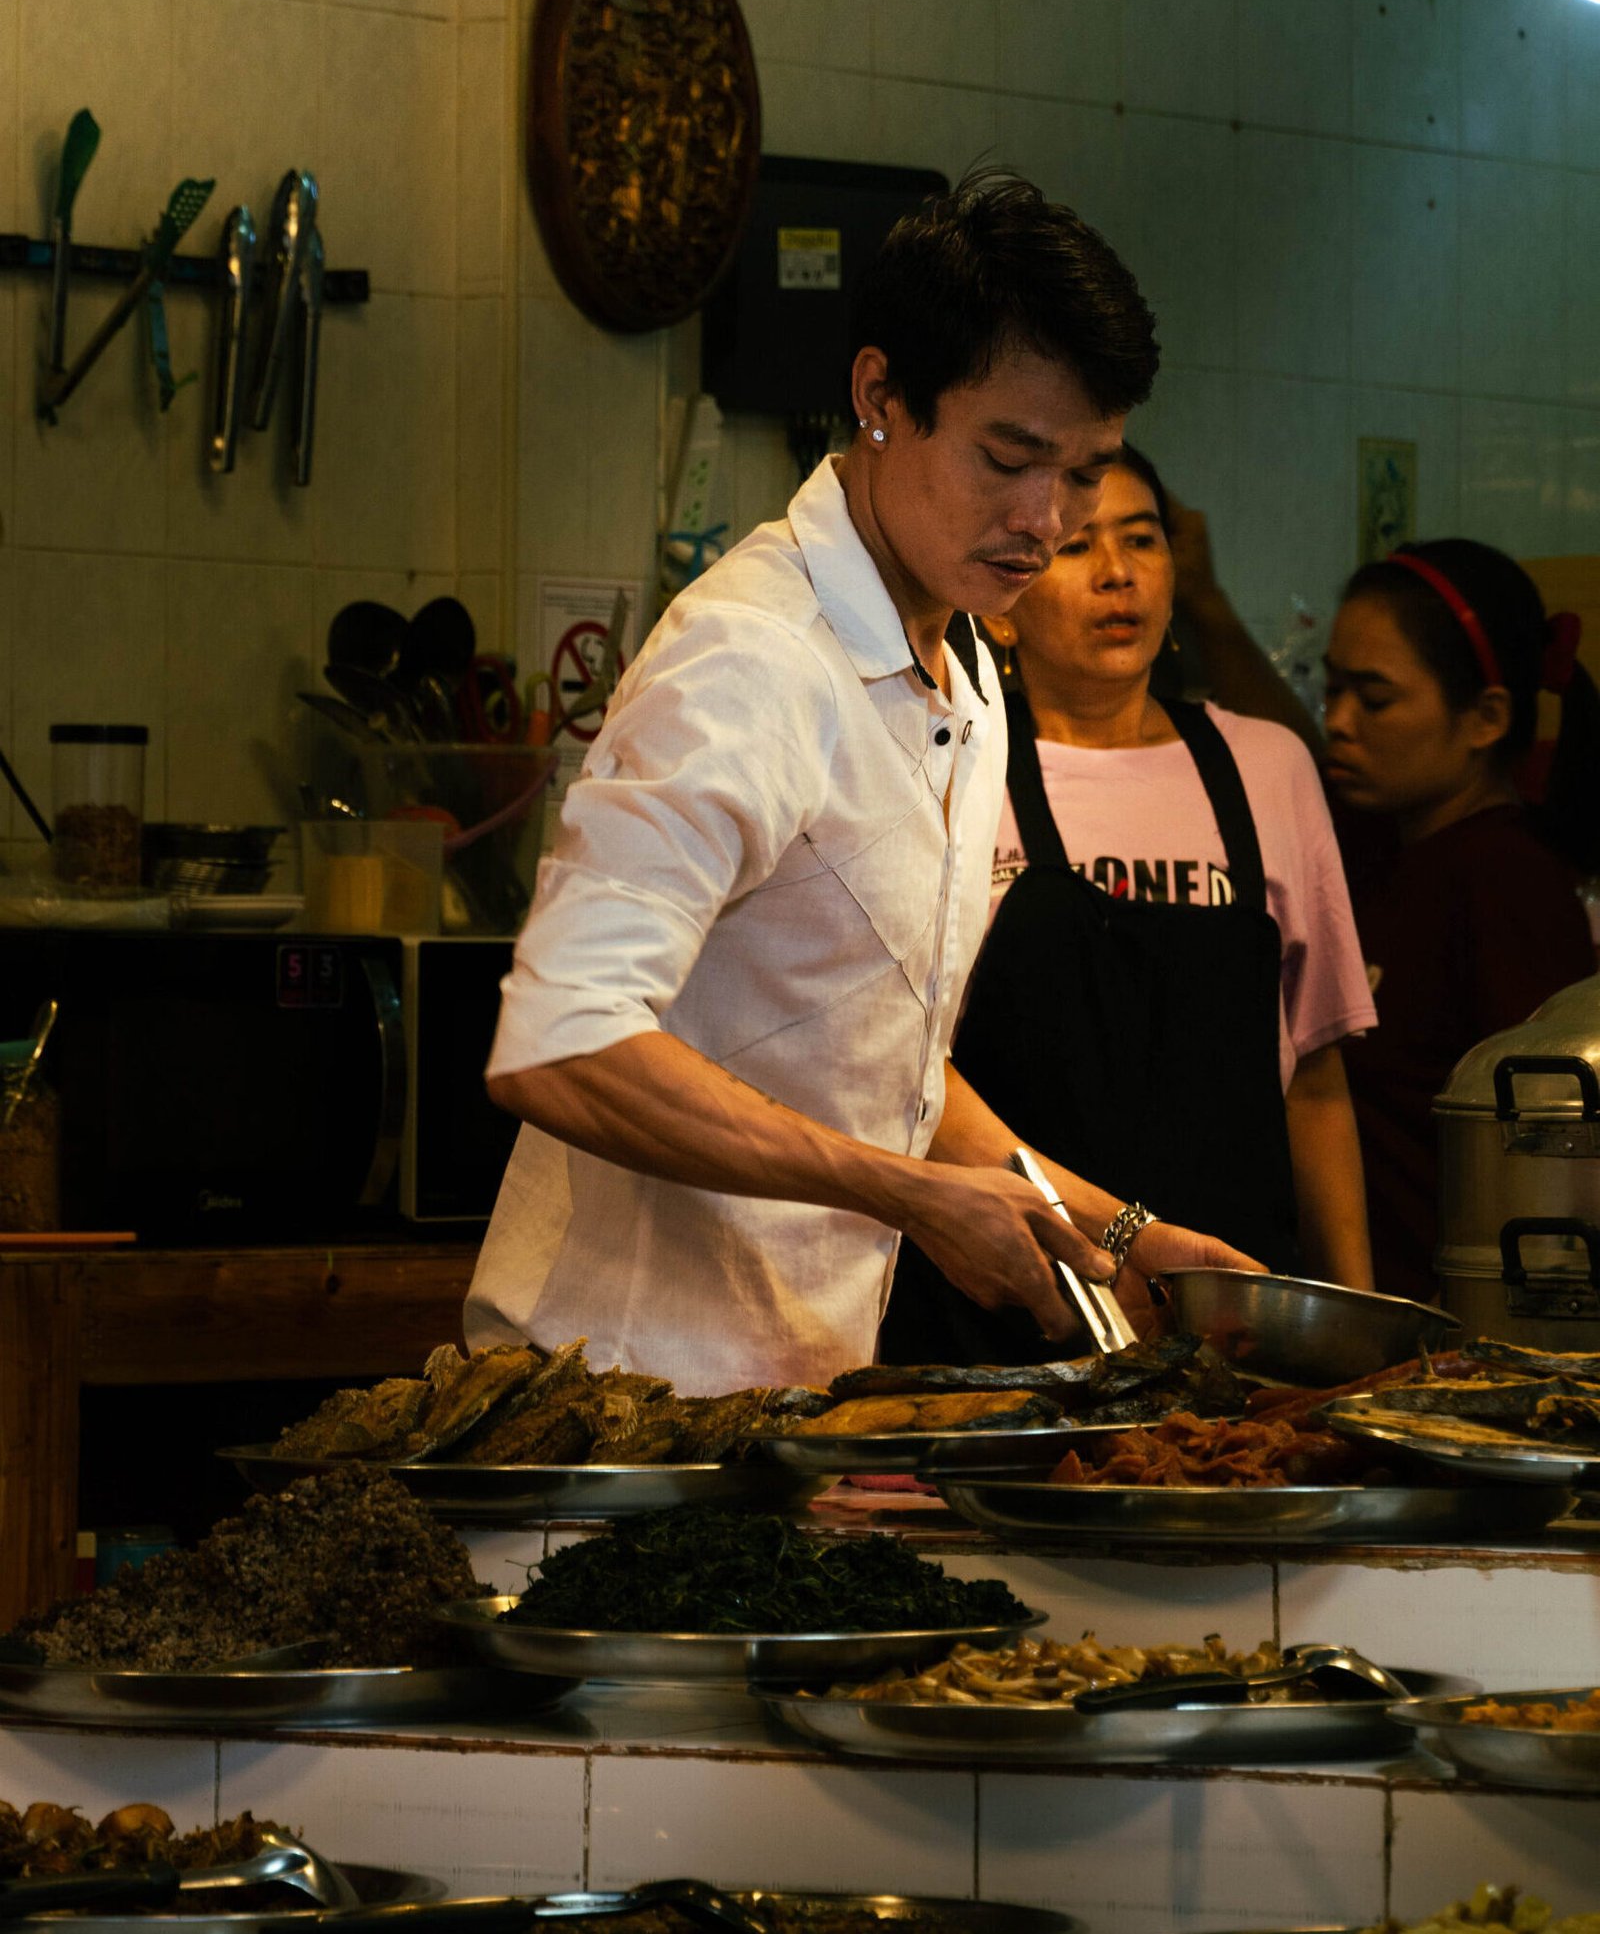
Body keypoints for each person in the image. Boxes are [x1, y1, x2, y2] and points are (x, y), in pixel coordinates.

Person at [466, 172, 1261, 1394]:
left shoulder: (969, 670)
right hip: (607, 1396)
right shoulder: (750, 658)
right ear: (880, 396)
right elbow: (561, 1044)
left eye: (1084, 473)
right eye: (1008, 458)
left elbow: (878, 1058)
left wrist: (1118, 1236)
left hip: (792, 1396)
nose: (1045, 520)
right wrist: (908, 1195)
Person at [880, 447, 1376, 1365]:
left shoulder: (1270, 768)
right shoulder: (950, 768)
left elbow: (1314, 1077)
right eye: (1076, 547)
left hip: (1238, 1311)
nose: (1117, 573)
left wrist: (1352, 1325)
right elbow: (899, 1064)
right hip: (1008, 1308)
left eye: (1142, 540)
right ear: (1003, 606)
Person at [1321, 540, 1599, 1300]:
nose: (1337, 721)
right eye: (1332, 687)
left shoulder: (1506, 881)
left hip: (1451, 1321)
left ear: (1485, 718)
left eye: (1374, 699)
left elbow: (1549, 1152)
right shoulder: (1383, 841)